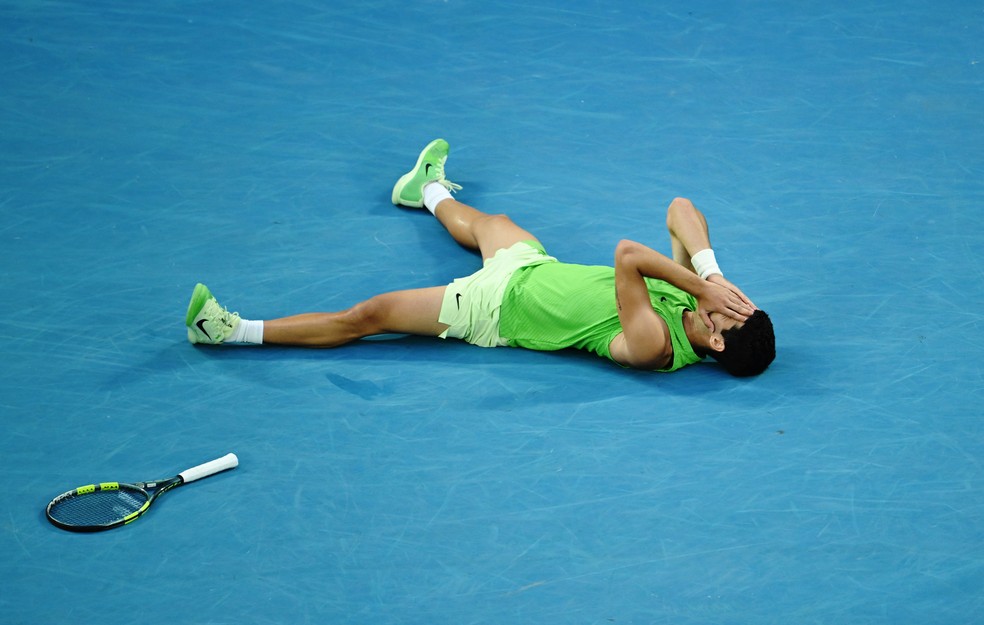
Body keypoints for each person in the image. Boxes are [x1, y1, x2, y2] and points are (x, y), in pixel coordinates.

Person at [185, 139, 775, 376]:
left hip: (492, 310)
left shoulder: (657, 345)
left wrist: (699, 288)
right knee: (491, 224)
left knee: (369, 315)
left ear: (717, 341)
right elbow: (680, 208)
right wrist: (712, 273)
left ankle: (228, 331)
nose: (726, 302)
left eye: (730, 311)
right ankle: (426, 190)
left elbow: (627, 256)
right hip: (534, 269)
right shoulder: (704, 302)